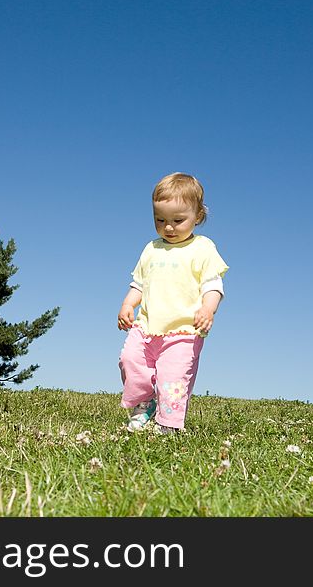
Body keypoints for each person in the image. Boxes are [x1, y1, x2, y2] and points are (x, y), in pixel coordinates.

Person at [117, 172, 229, 433]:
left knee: (173, 377)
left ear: (198, 216)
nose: (168, 227)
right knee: (129, 360)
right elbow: (139, 285)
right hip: (146, 327)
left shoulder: (202, 248)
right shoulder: (151, 249)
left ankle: (169, 424)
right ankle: (144, 406)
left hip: (183, 331)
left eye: (178, 220)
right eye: (160, 220)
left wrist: (207, 308)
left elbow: (213, 285)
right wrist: (127, 305)